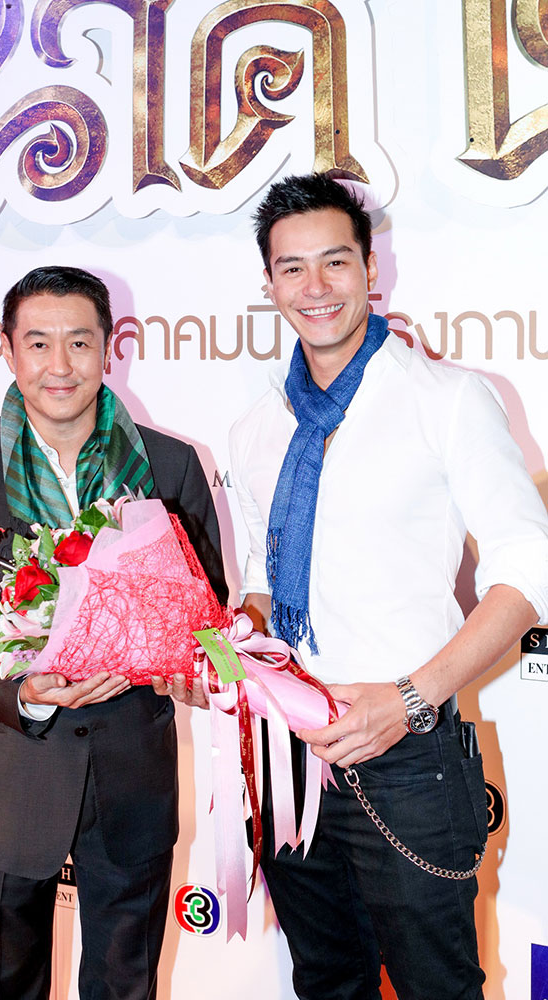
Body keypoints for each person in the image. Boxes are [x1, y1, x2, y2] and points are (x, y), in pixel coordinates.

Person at [229, 173, 548, 1000]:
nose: (315, 286)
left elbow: (527, 566)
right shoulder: (257, 427)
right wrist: (239, 633)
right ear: (268, 283)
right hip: (290, 754)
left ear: (371, 269)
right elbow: (266, 576)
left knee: (437, 988)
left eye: (335, 262)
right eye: (292, 268)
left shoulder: (446, 398)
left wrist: (409, 698)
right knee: (326, 983)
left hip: (409, 759)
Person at [0, 265, 227, 1000]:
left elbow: (204, 613)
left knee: (125, 987)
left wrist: (192, 666)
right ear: (8, 350)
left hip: (132, 778)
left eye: (79, 342)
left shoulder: (170, 466)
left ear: (110, 348)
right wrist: (24, 690)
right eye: (39, 343)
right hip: (4, 777)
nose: (60, 365)